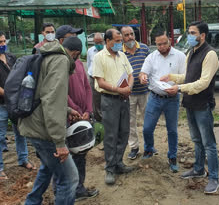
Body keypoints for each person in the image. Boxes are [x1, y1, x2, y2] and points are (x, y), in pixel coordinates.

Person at [19, 37, 83, 204]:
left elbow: (43, 94)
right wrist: (59, 142)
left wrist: (67, 110)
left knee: (47, 167)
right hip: (43, 130)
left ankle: (31, 202)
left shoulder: (47, 55)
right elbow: (52, 99)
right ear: (75, 54)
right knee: (69, 179)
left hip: (32, 122)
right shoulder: (61, 61)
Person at [162, 21, 219, 194]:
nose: (190, 36)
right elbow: (188, 76)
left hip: (202, 104)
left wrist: (179, 88)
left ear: (202, 35)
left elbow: (203, 82)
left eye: (193, 33)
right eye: (189, 32)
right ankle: (198, 168)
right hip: (190, 103)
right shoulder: (191, 52)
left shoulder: (210, 54)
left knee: (209, 143)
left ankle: (214, 178)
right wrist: (171, 77)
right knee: (196, 140)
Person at [57, 26, 99, 201]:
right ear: (61, 41)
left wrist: (87, 110)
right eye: (71, 36)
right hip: (67, 117)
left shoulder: (79, 62)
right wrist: (74, 109)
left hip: (82, 116)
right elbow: (60, 92)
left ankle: (79, 188)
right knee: (64, 158)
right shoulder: (58, 63)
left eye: (76, 36)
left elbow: (87, 88)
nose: (75, 38)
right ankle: (63, 192)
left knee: (81, 152)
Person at [139, 30, 185, 173]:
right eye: (159, 44)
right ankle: (149, 149)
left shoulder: (180, 56)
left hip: (172, 98)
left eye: (164, 43)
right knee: (147, 128)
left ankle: (172, 157)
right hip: (155, 97)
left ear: (170, 40)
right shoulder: (152, 57)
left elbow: (185, 76)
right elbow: (143, 72)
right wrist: (142, 77)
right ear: (155, 44)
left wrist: (177, 88)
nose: (162, 47)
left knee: (172, 130)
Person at [92, 29, 134, 185]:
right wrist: (119, 90)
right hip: (109, 99)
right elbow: (100, 82)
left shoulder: (122, 55)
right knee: (111, 135)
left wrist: (128, 87)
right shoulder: (99, 57)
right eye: (116, 41)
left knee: (124, 132)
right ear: (107, 41)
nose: (119, 43)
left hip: (124, 99)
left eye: (120, 41)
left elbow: (130, 74)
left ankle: (118, 163)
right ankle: (110, 168)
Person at [0, 31, 36, 180]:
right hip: (2, 104)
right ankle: (0, 168)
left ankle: (23, 159)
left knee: (20, 132)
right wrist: (10, 94)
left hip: (15, 103)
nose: (3, 44)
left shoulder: (11, 57)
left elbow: (19, 75)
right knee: (0, 136)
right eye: (0, 42)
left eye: (3, 41)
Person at [120, 26, 149, 160]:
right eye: (126, 35)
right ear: (122, 38)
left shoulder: (144, 48)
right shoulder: (120, 52)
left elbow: (151, 66)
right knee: (130, 122)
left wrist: (146, 77)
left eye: (131, 34)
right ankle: (134, 147)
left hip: (145, 92)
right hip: (129, 94)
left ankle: (149, 146)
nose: (130, 37)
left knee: (147, 120)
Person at [87, 33, 104, 122]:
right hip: (93, 79)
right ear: (94, 42)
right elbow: (89, 64)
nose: (99, 44)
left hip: (104, 79)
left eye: (100, 42)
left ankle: (106, 118)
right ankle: (98, 120)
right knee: (95, 100)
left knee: (105, 99)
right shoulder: (90, 51)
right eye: (97, 43)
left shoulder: (107, 51)